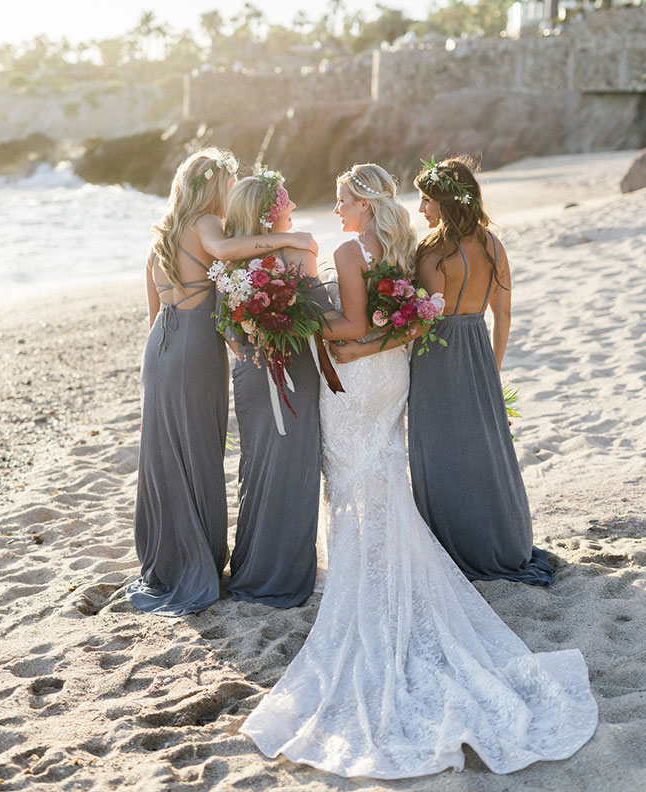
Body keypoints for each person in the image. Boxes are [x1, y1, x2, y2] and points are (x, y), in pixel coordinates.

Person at [241, 163, 597, 778]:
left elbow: (354, 324)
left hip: (353, 381)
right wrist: (359, 339)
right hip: (392, 377)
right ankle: (385, 554)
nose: (337, 209)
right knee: (380, 471)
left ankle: (365, 563)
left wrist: (298, 319)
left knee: (352, 477)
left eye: (342, 199)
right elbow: (403, 325)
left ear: (361, 203)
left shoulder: (353, 249)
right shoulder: (407, 248)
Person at [333, 156, 552, 585]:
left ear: (447, 202)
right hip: (478, 355)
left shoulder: (434, 252)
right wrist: (492, 368)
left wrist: (363, 348)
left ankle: (454, 546)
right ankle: (503, 538)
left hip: (438, 358)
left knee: (438, 455)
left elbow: (425, 320)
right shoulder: (493, 246)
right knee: (486, 451)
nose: (421, 210)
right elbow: (503, 315)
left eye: (428, 200)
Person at [126, 149, 318, 616]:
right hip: (193, 348)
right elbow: (227, 252)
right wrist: (290, 237)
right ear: (212, 187)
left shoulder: (161, 236)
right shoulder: (204, 221)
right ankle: (198, 561)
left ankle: (168, 559)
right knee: (198, 451)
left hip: (160, 348)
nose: (232, 192)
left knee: (166, 453)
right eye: (229, 183)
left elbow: (154, 312)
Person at [223, 171, 332, 608]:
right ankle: (284, 570)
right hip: (293, 367)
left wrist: (251, 339)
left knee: (258, 465)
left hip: (250, 368)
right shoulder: (301, 250)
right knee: (292, 465)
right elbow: (320, 315)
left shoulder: (230, 258)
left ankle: (252, 565)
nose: (293, 208)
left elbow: (228, 329)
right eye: (287, 202)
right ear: (272, 210)